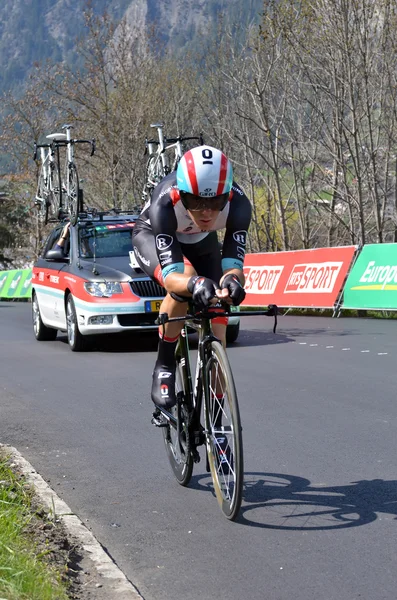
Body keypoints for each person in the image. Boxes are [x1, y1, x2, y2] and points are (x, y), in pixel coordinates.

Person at [132, 145, 251, 410]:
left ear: (227, 195)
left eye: (215, 202)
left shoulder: (239, 205)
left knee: (219, 318)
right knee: (184, 283)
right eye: (195, 202)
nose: (206, 212)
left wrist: (233, 281)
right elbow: (173, 276)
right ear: (181, 194)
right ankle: (164, 365)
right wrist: (195, 283)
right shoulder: (165, 201)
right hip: (153, 235)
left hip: (202, 241)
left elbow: (233, 266)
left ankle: (218, 422)